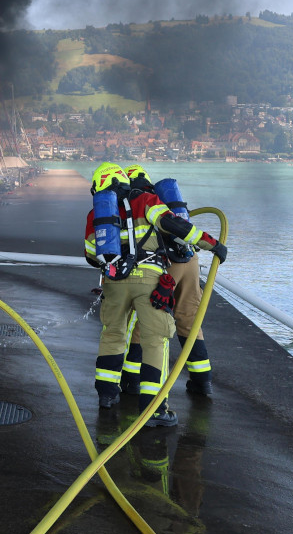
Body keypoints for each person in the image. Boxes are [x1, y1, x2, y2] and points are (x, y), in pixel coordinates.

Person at [84, 163, 227, 427]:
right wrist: (212, 244)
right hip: (151, 278)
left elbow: (92, 255)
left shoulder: (98, 212)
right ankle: (154, 409)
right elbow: (175, 225)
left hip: (115, 281)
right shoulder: (148, 200)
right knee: (156, 340)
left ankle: (107, 395)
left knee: (113, 334)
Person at [119, 165, 215, 397]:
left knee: (144, 322)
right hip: (190, 260)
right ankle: (202, 383)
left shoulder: (134, 201)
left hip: (164, 267)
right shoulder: (166, 200)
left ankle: (131, 382)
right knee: (190, 321)